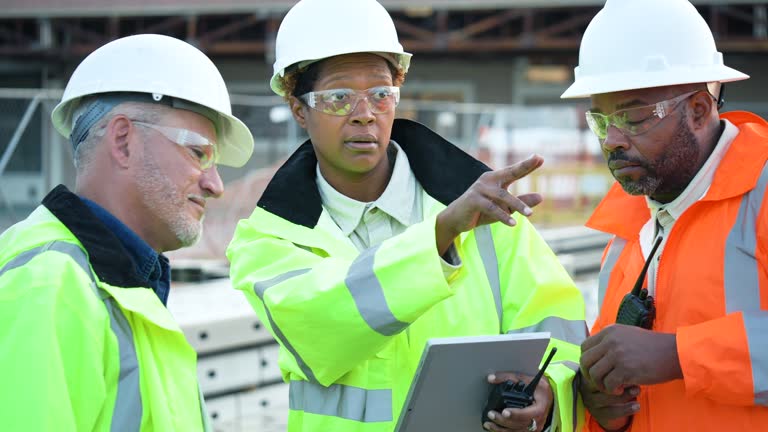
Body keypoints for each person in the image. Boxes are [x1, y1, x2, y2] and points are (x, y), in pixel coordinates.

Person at [227, 1, 587, 431]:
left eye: (381, 94)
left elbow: (561, 337)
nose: (365, 114)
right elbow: (321, 325)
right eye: (339, 98)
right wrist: (440, 236)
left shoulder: (492, 218)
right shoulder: (267, 243)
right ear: (299, 108)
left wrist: (547, 398)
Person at [0, 34, 254, 431]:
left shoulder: (121, 286)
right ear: (122, 140)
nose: (216, 185)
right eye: (199, 153)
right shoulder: (47, 286)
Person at [561, 0, 768, 430]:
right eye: (601, 121)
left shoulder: (761, 192)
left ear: (698, 110)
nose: (612, 140)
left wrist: (679, 355)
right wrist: (599, 406)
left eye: (634, 117)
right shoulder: (624, 232)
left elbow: (665, 359)